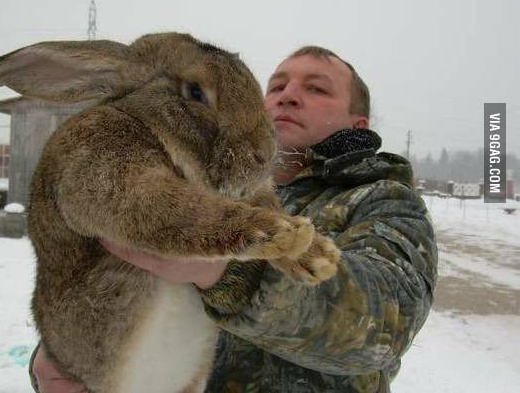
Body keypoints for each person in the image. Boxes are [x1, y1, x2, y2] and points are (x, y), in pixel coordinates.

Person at [31, 46, 437, 393]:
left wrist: (224, 269)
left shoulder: (383, 199)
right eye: (276, 86)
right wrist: (61, 358)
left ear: (358, 124)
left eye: (316, 88)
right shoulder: (189, 172)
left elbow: (380, 328)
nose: (287, 96)